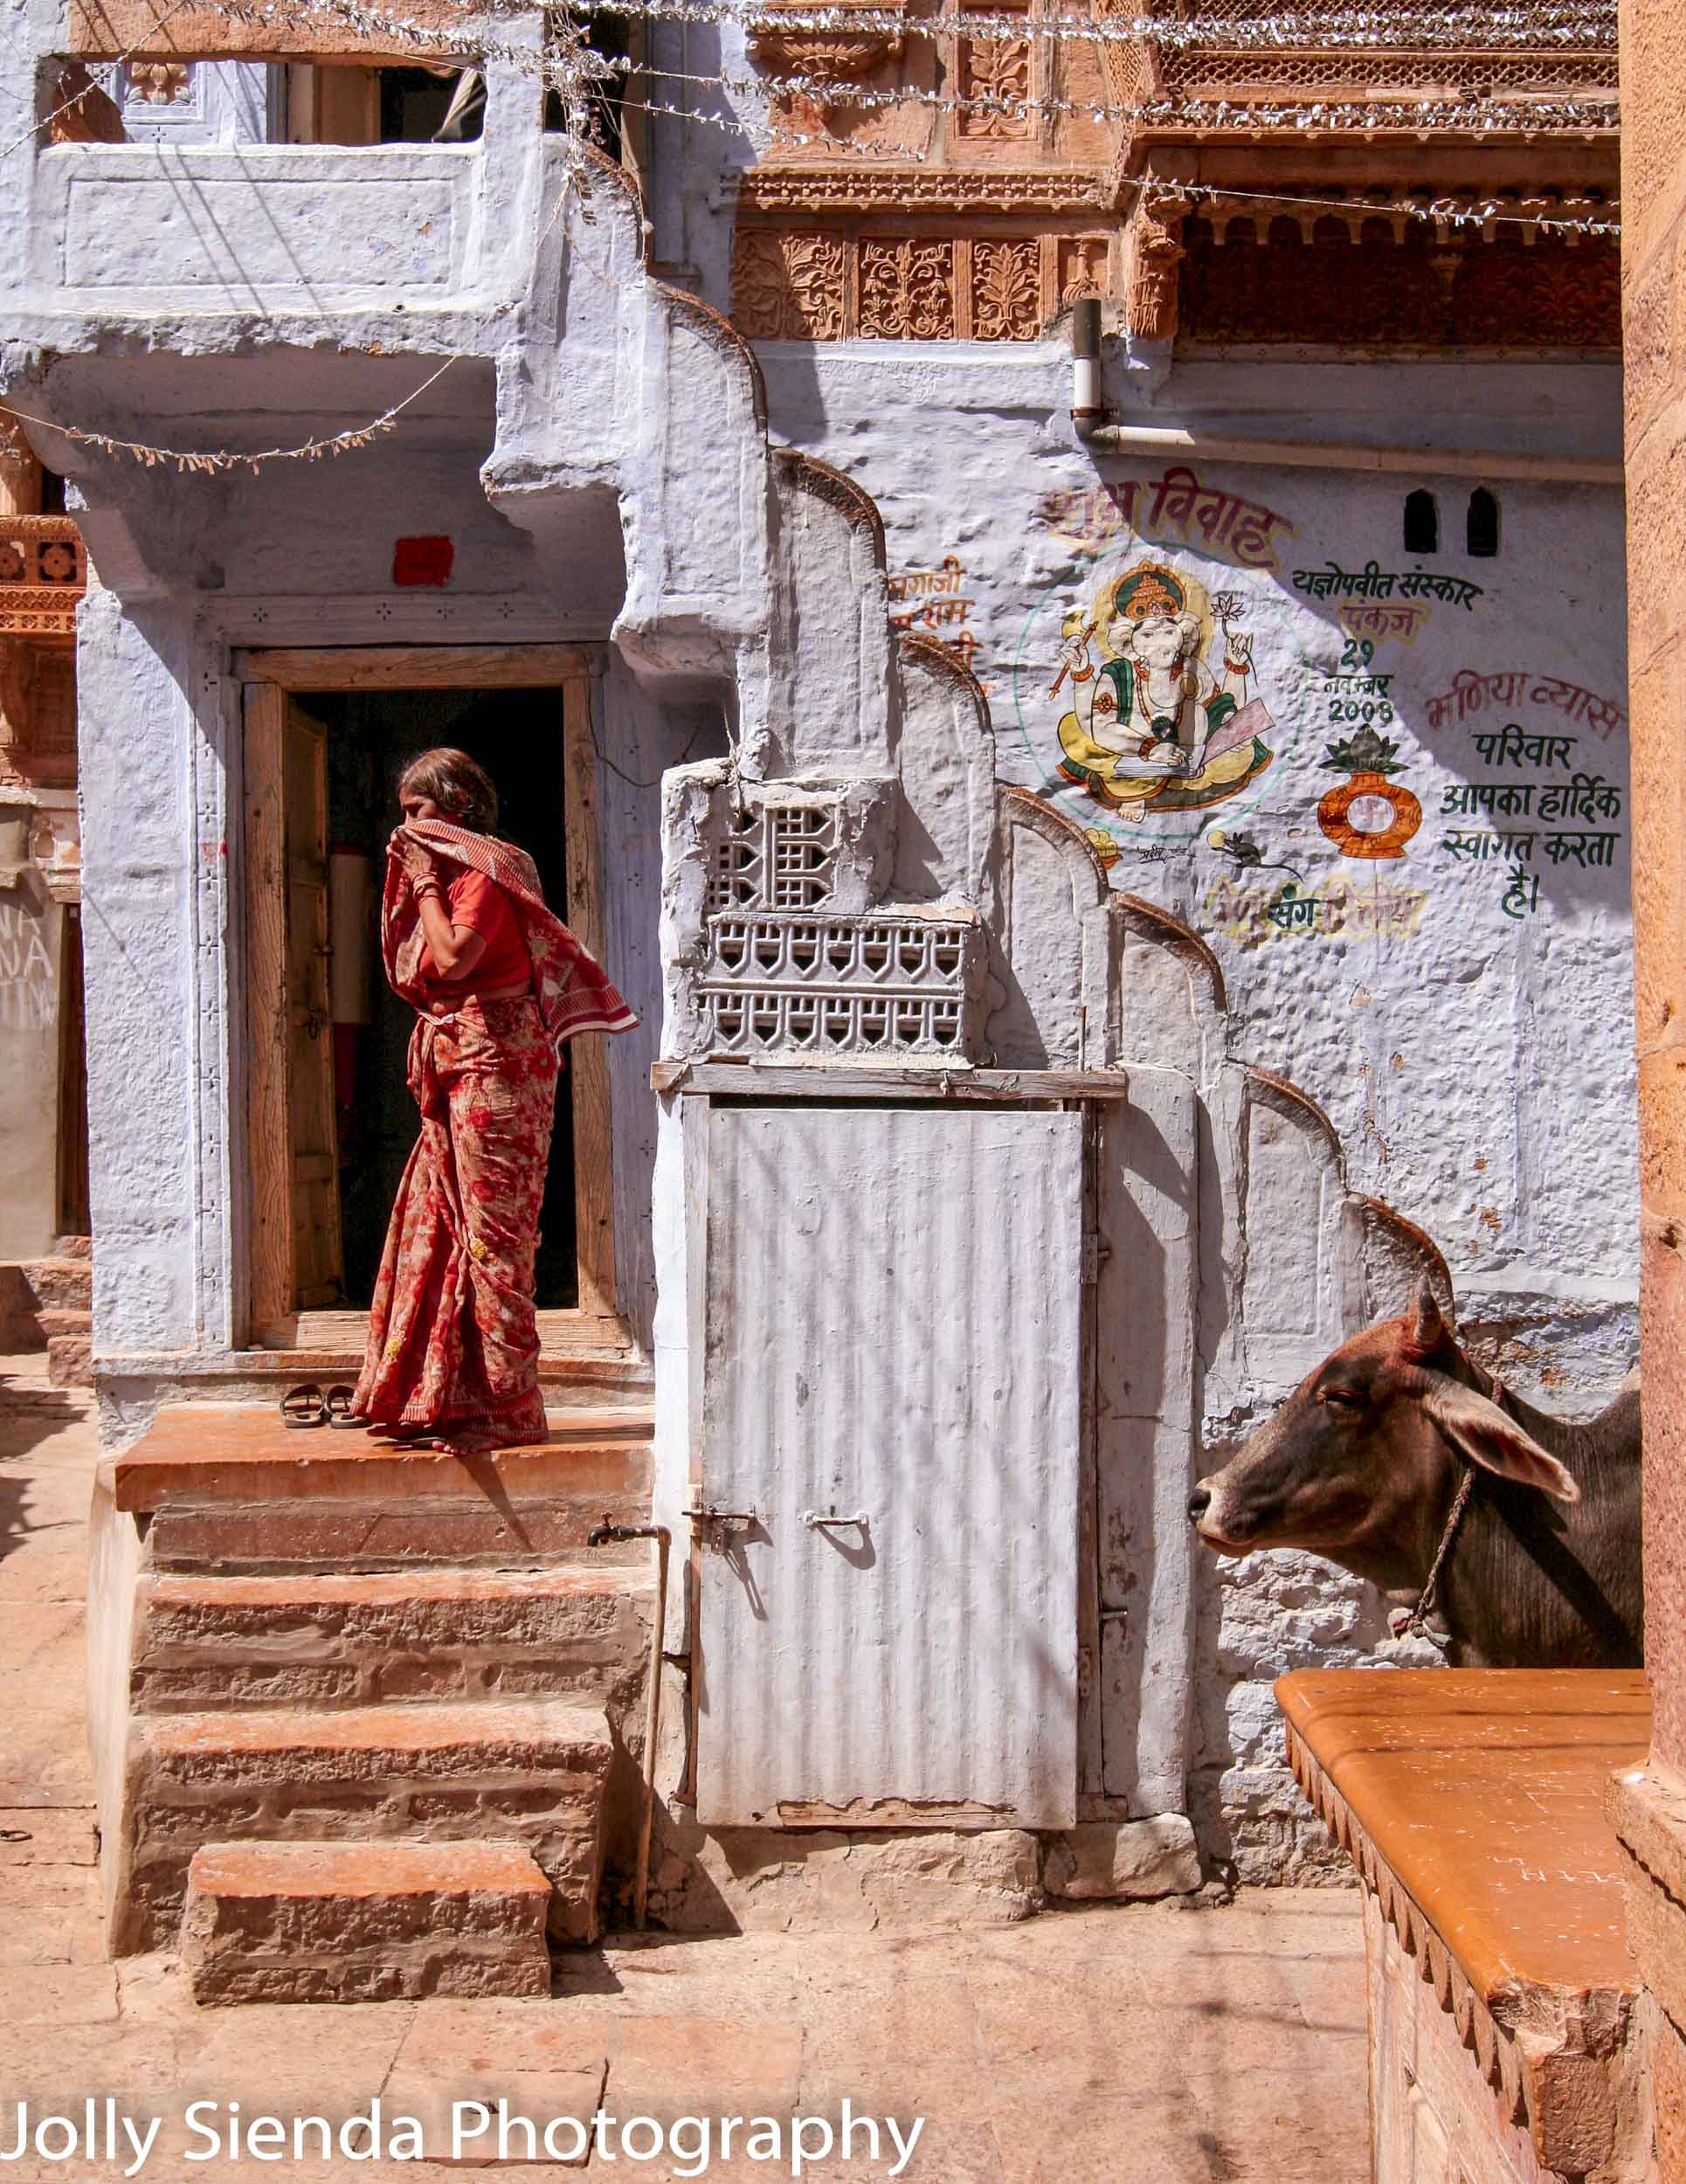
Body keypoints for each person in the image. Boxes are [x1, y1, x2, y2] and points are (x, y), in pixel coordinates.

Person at [351, 748, 635, 1455]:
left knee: (495, 1237)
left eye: (418, 812)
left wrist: (422, 886)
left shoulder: (482, 874)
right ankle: (448, 1397)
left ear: (456, 811)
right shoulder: (453, 875)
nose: (405, 829)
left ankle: (510, 1406)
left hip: (499, 1066)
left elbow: (451, 961)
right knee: (443, 1223)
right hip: (459, 1062)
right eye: (403, 813)